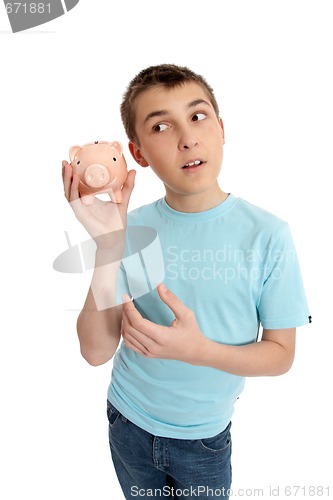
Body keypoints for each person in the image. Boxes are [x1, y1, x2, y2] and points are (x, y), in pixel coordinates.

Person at [62, 64, 311, 499]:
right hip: (128, 420)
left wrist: (199, 352)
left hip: (203, 440)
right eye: (161, 125)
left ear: (221, 127)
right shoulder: (129, 229)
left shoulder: (268, 235)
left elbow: (281, 355)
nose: (187, 137)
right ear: (137, 153)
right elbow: (95, 352)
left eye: (197, 116)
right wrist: (108, 246)